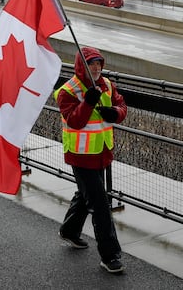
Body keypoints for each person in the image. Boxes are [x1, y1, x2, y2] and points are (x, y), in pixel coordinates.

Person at [54, 47, 128, 274]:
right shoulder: (67, 91)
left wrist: (114, 113)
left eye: (99, 64)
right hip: (80, 154)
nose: (96, 68)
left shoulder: (106, 84)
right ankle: (110, 255)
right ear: (81, 66)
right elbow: (75, 121)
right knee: (100, 204)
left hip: (101, 151)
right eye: (91, 64)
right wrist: (88, 102)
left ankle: (69, 230)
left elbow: (122, 105)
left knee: (87, 193)